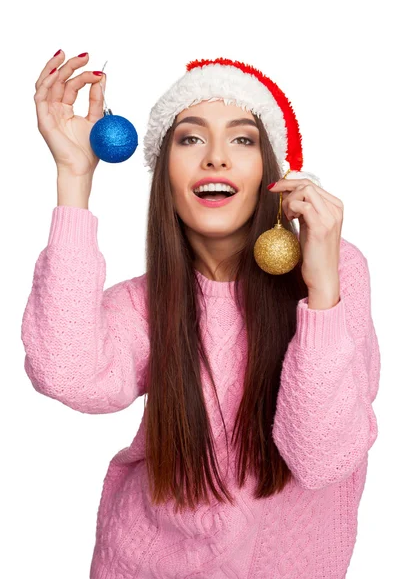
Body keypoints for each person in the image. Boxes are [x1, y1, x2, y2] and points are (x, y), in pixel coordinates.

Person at [21, 51, 381, 578]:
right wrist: (74, 180)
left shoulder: (335, 274)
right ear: (165, 173)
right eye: (190, 138)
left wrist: (321, 290)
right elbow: (64, 371)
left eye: (242, 139)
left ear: (271, 174)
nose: (216, 157)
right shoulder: (147, 303)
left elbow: (321, 458)